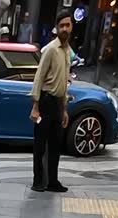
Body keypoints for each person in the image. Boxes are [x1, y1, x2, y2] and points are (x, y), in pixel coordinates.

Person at [30, 9, 73, 193]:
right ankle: (38, 181)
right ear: (56, 28)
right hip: (45, 102)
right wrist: (35, 106)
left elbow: (63, 82)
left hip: (57, 104)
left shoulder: (67, 52)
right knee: (40, 144)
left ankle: (53, 181)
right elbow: (38, 79)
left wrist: (63, 110)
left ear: (72, 27)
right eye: (61, 25)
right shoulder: (49, 50)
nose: (65, 28)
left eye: (68, 25)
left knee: (56, 145)